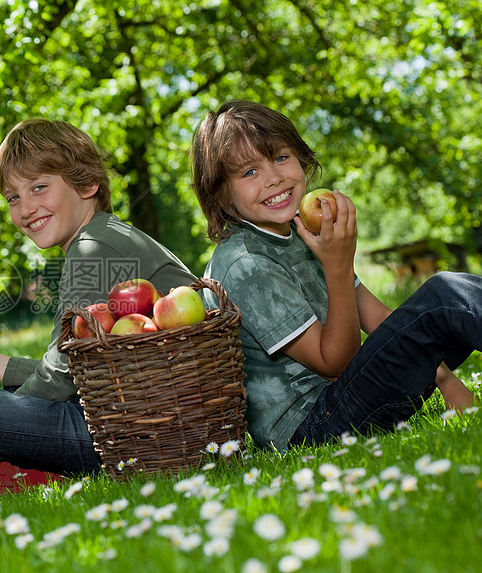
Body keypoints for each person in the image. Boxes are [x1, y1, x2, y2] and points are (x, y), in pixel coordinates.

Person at [0, 119, 196, 496]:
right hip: (148, 418)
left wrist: (6, 415)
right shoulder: (104, 236)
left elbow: (60, 378)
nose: (26, 208)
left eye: (38, 187)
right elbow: (77, 367)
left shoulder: (93, 249)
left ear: (86, 184)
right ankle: (37, 474)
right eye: (13, 198)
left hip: (141, 432)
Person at [189, 99, 479, 451]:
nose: (275, 178)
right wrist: (338, 265)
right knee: (443, 298)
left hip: (348, 398)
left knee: (449, 293)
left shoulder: (302, 233)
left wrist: (446, 380)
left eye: (281, 157)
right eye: (249, 172)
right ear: (221, 194)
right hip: (312, 427)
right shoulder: (245, 264)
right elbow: (333, 364)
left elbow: (383, 320)